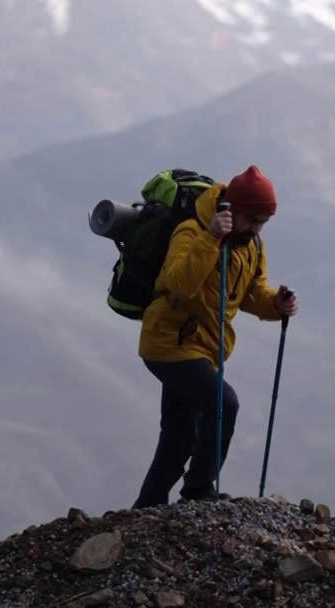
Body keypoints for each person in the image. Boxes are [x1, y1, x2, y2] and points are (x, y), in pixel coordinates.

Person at [132, 164, 298, 507]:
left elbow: (252, 293)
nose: (256, 229)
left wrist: (276, 305)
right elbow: (178, 282)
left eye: (262, 222)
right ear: (231, 210)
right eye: (252, 220)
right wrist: (212, 238)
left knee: (178, 436)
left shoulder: (252, 246)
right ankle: (198, 491)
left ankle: (147, 507)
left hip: (204, 349)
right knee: (223, 404)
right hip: (168, 342)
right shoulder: (192, 232)